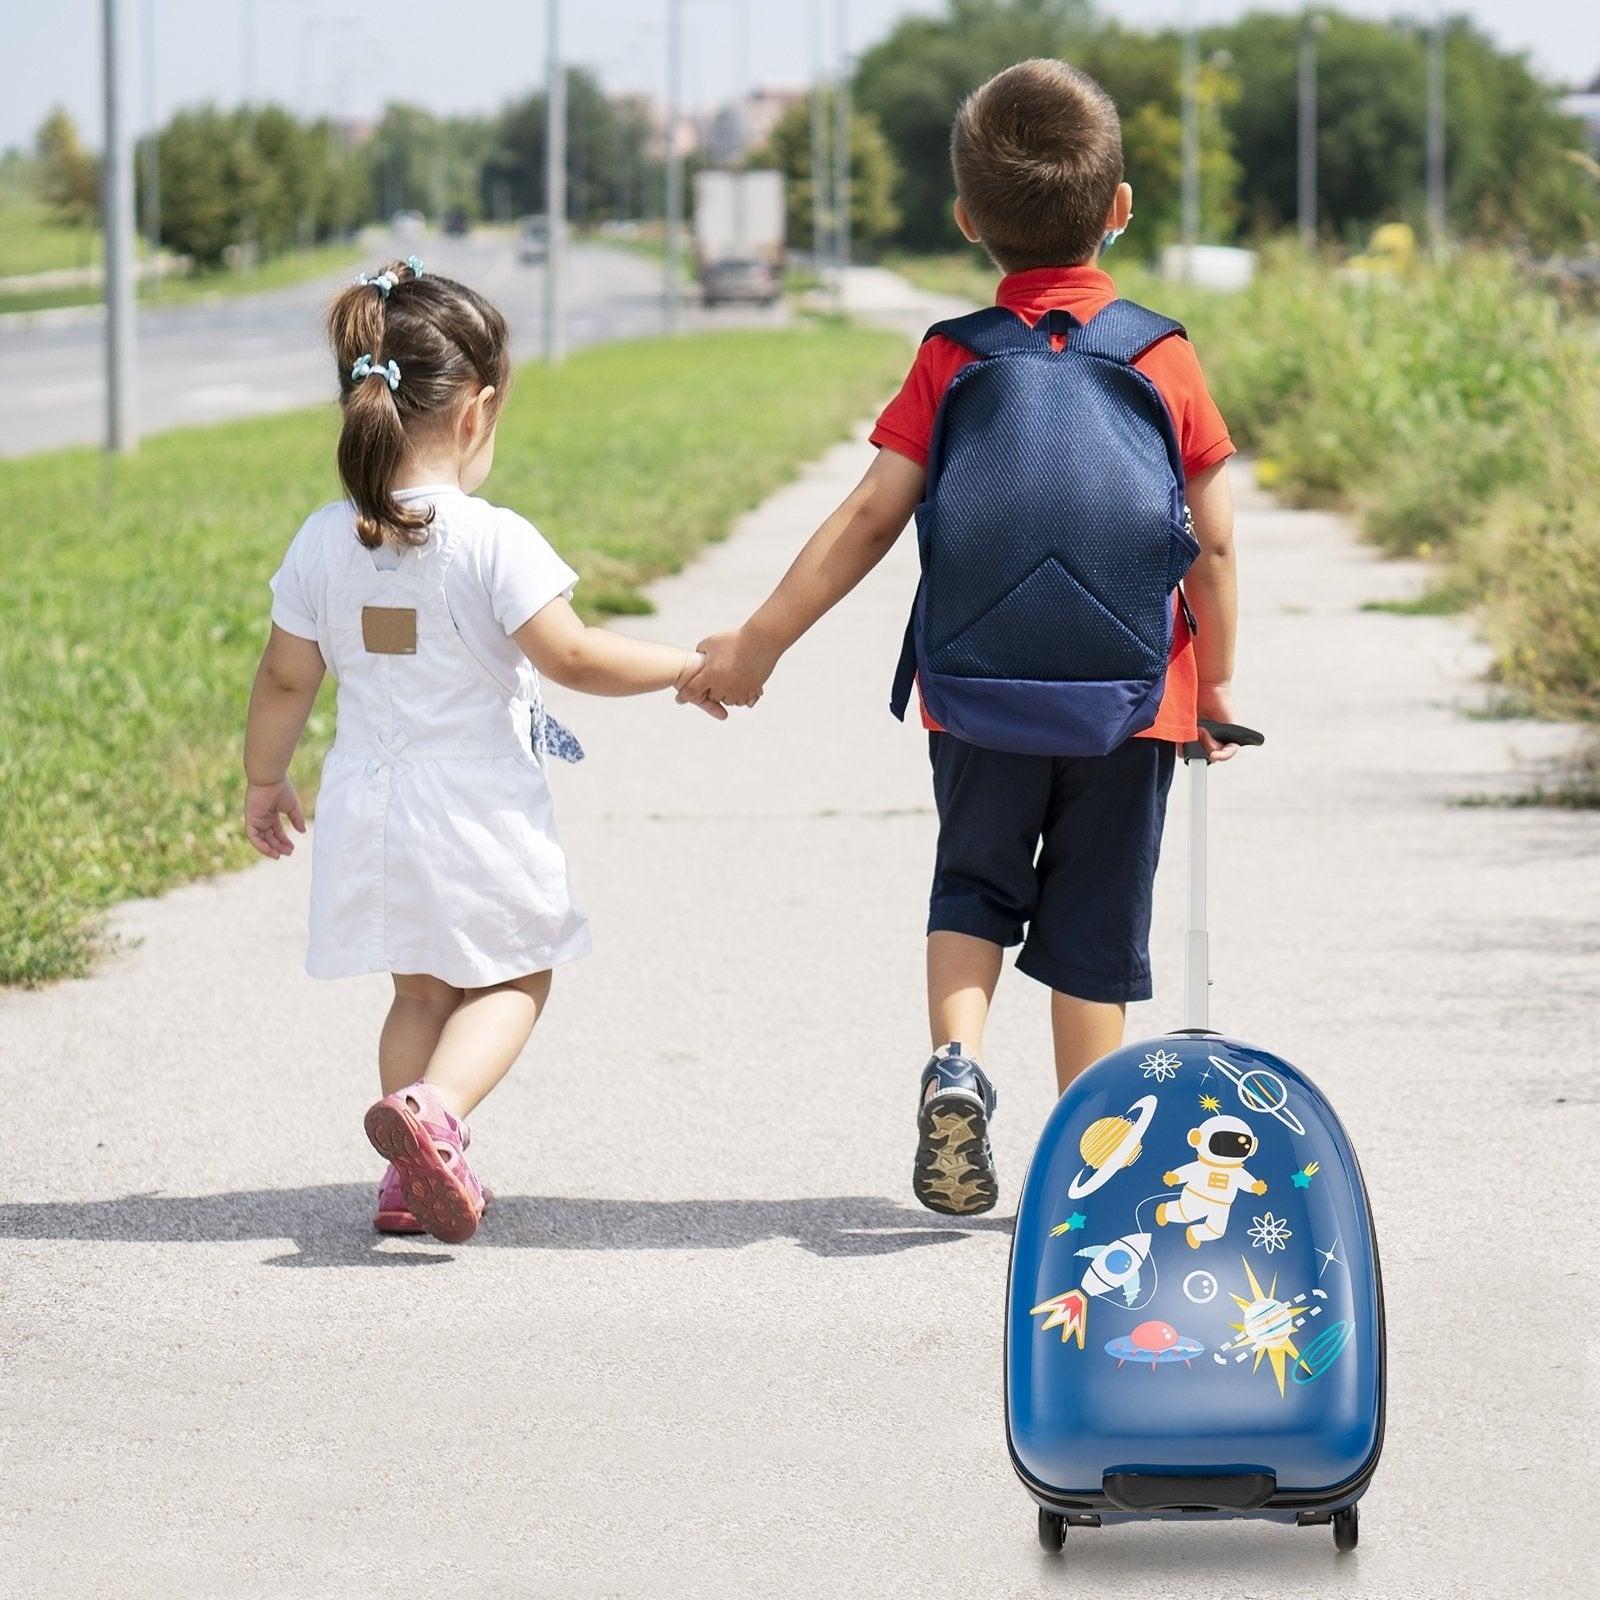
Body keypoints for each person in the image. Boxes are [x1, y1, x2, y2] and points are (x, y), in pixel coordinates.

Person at [679, 60, 1243, 1217]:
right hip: (1133, 702)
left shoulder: (951, 357)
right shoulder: (1160, 355)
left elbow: (869, 516)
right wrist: (1218, 686)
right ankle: (1101, 1170)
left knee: (973, 886)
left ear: (967, 221)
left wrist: (756, 645)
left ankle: (955, 1061)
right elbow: (1215, 546)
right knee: (1094, 934)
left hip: (976, 691)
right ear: (1119, 206)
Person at [243, 257, 722, 1245]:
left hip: (372, 812)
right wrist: (685, 665)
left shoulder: (324, 540)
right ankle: (438, 1119)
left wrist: (262, 777)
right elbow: (575, 655)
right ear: (475, 413)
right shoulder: (491, 539)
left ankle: (402, 1175)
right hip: (473, 811)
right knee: (517, 974)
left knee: (419, 990)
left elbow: (288, 677)